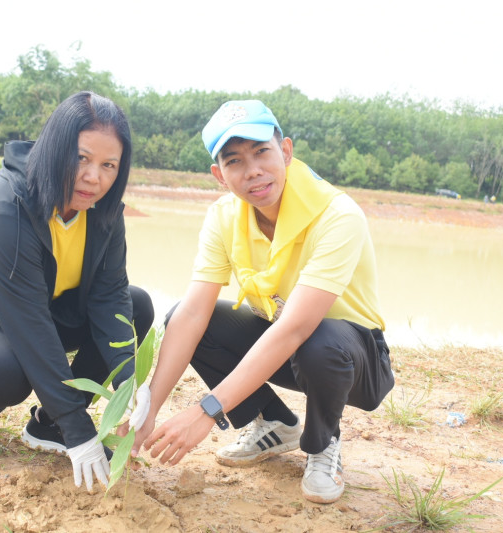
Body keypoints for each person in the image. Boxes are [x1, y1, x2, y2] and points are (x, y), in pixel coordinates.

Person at [133, 100, 394, 504]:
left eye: (261, 152)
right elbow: (193, 314)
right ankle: (274, 422)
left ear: (285, 151)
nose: (252, 170)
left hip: (353, 359)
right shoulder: (223, 217)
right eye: (234, 160)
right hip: (285, 341)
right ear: (219, 175)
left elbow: (296, 328)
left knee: (319, 341)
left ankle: (323, 442)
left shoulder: (337, 215)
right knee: (186, 318)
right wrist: (149, 408)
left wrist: (207, 411)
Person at [0, 91, 154, 492]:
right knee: (3, 369)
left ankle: (48, 424)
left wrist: (130, 380)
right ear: (54, 148)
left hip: (37, 307)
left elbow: (109, 294)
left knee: (135, 305)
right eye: (81, 158)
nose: (94, 177)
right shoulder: (1, 210)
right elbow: (30, 328)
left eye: (109, 165)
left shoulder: (102, 210)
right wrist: (80, 431)